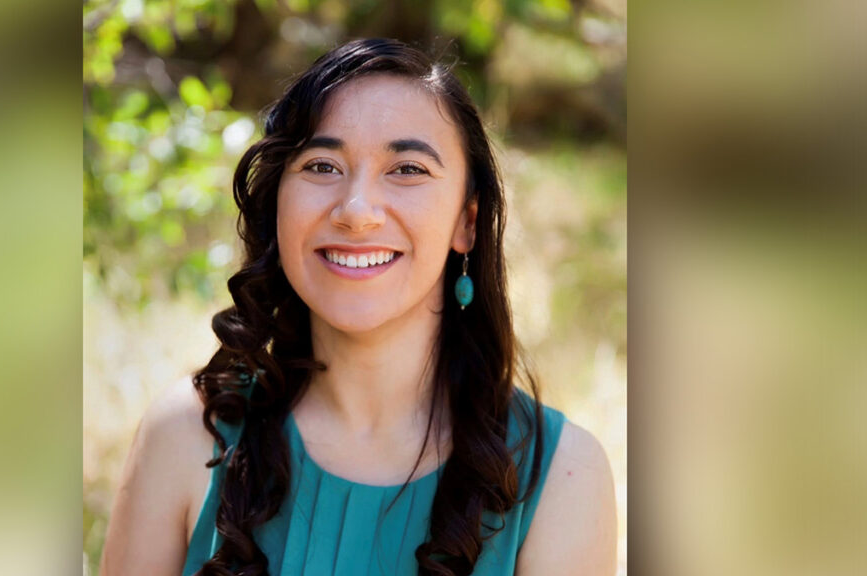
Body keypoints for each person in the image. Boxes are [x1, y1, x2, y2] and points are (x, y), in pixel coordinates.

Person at [100, 38, 617, 576]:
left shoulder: (561, 477)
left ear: (467, 221)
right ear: (278, 202)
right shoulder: (185, 436)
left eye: (408, 169)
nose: (356, 211)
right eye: (322, 166)